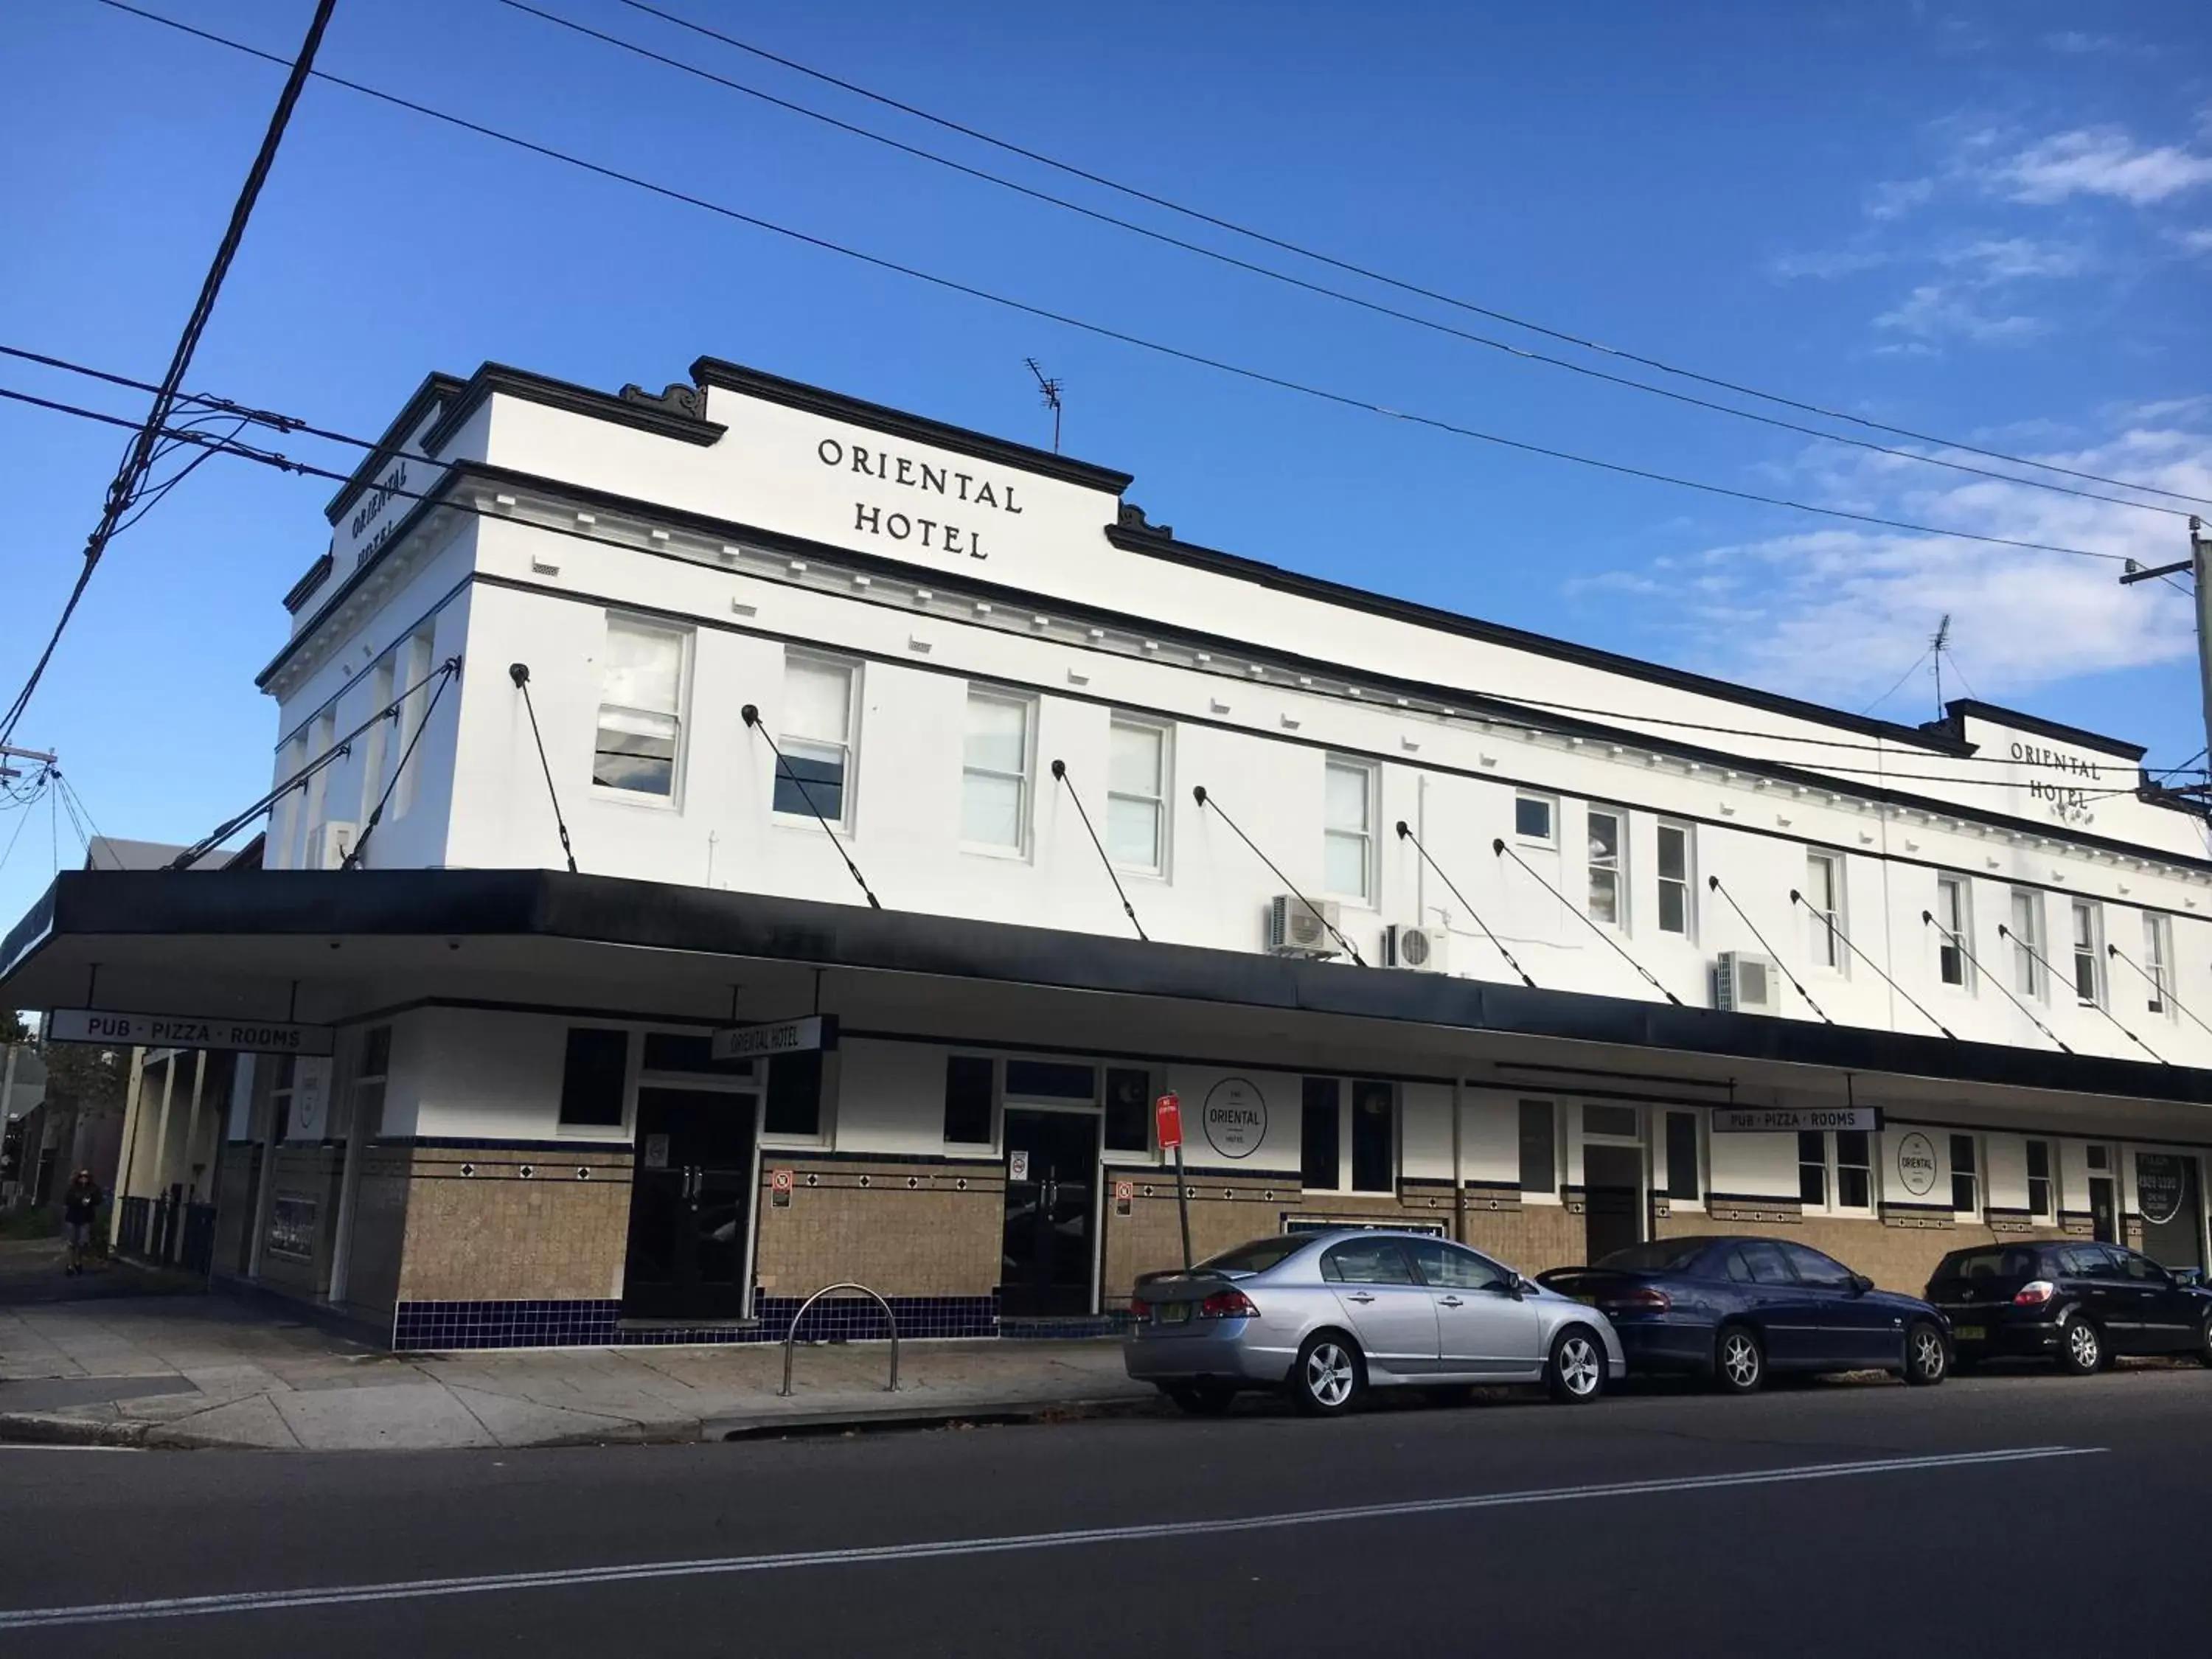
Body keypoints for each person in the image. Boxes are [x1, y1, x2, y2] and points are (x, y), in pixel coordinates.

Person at [60, 1169, 101, 1276]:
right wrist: (80, 1202)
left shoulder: (93, 1189)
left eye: (86, 1177)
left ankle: (78, 1261)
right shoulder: (73, 1189)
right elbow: (67, 1200)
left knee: (83, 1242)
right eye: (82, 1176)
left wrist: (90, 1200)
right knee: (72, 1241)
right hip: (73, 1218)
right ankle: (70, 1264)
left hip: (86, 1218)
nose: (84, 1179)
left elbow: (98, 1200)